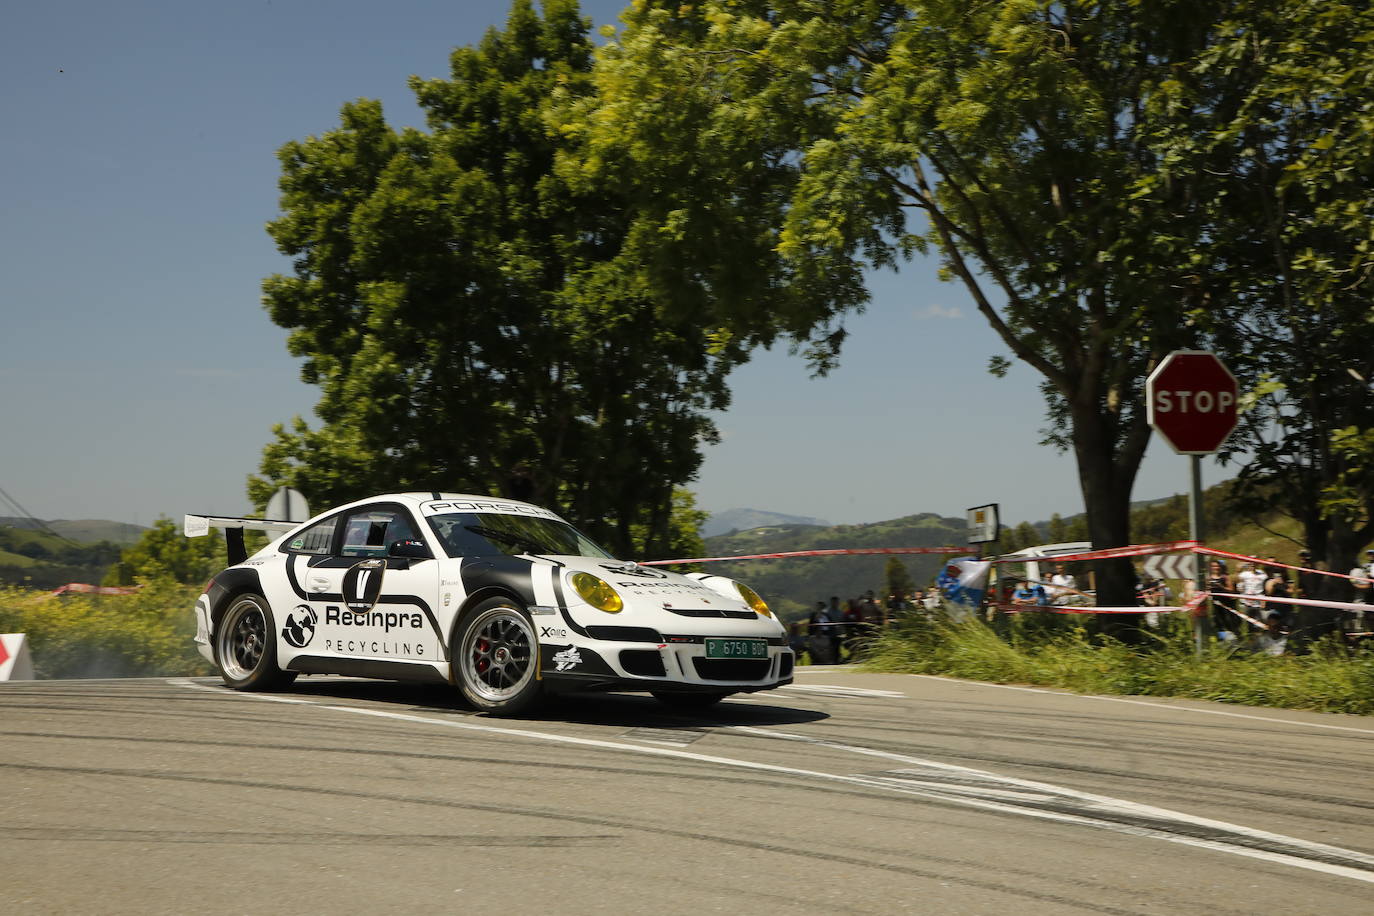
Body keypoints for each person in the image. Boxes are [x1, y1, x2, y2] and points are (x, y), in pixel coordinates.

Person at [1206, 560, 1236, 640]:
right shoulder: (1209, 578)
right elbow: (1205, 590)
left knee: (1228, 622)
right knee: (1217, 623)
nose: (1216, 568)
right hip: (1215, 605)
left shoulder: (1225, 577)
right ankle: (1221, 640)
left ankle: (1232, 639)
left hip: (1226, 605)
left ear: (1220, 567)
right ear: (1211, 568)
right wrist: (1208, 588)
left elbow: (1231, 590)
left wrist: (1221, 587)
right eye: (1213, 566)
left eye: (1217, 566)